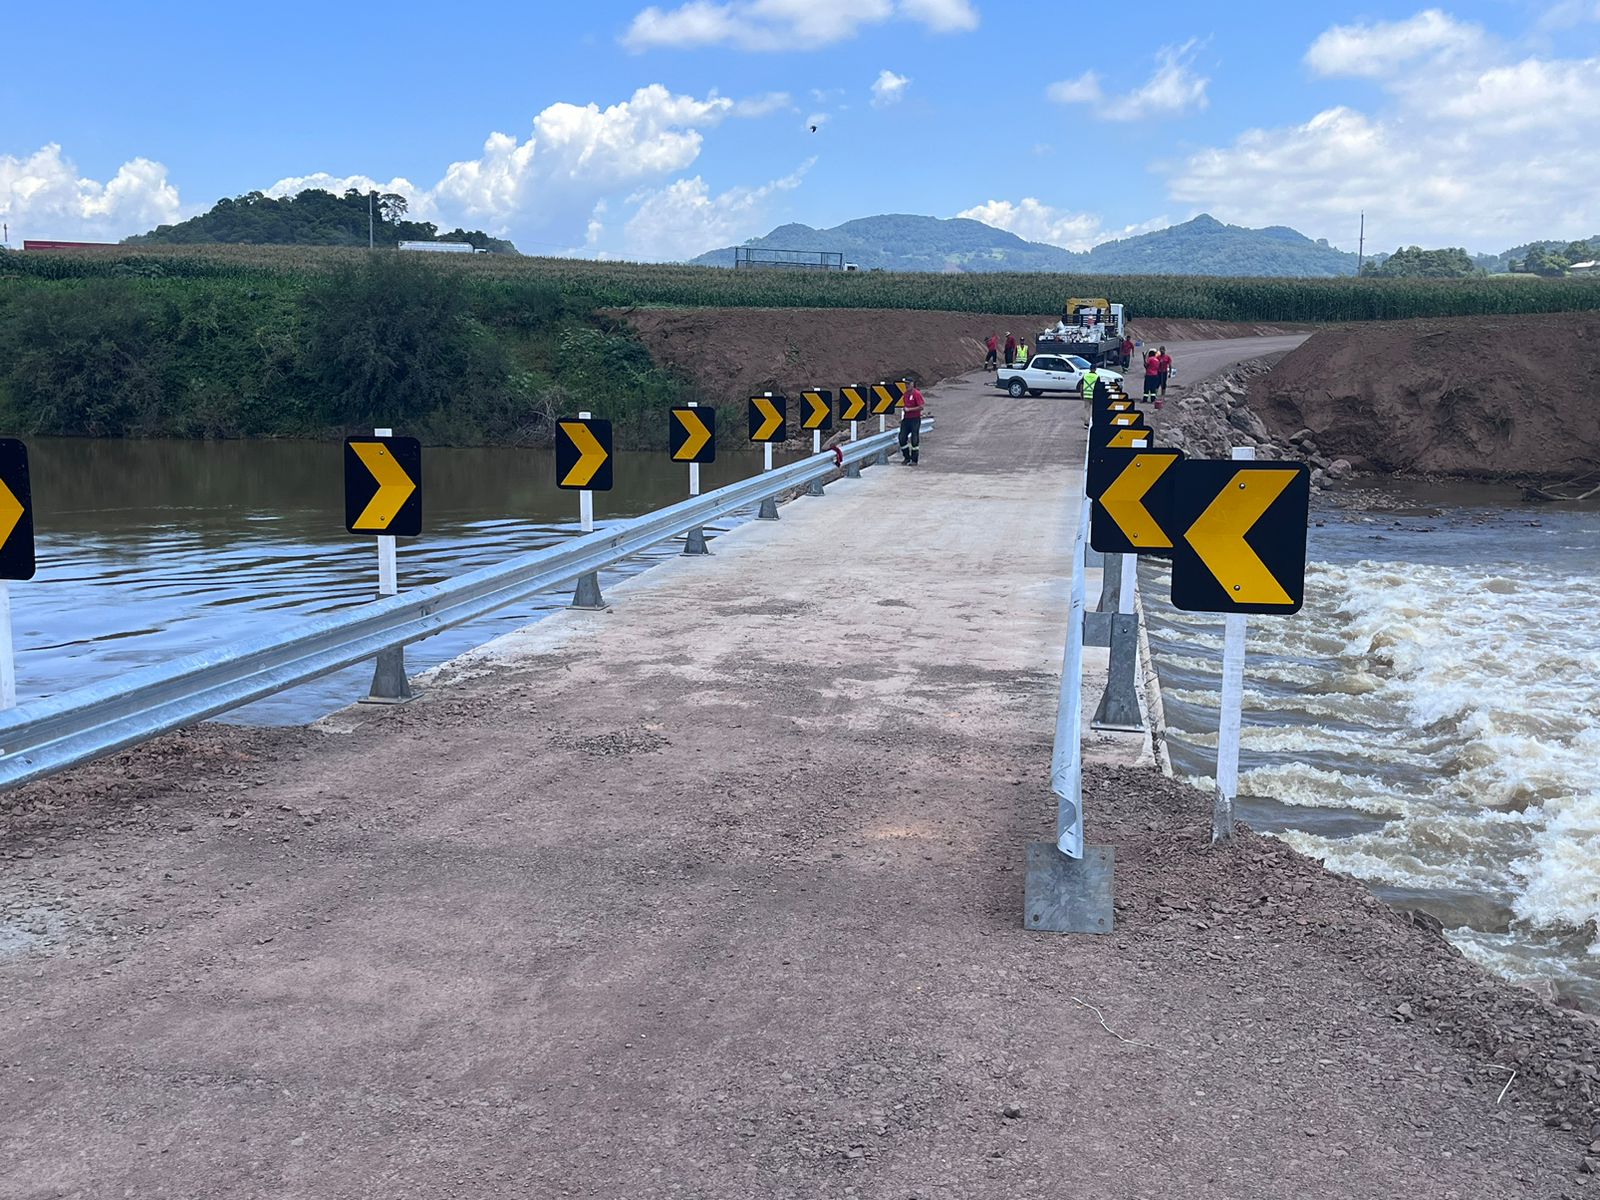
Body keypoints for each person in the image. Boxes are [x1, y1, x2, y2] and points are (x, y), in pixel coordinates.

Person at [899, 380, 925, 465]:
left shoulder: (916, 394)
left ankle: (914, 460)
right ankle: (907, 457)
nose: (906, 385)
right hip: (906, 419)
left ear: (912, 384)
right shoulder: (905, 394)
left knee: (914, 440)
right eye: (905, 384)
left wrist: (910, 409)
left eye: (908, 384)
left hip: (915, 419)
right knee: (902, 438)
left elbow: (921, 406)